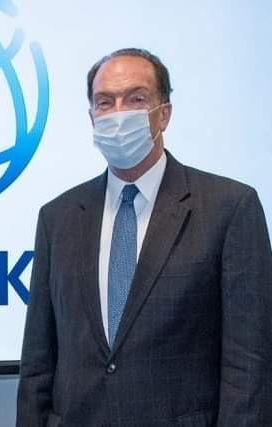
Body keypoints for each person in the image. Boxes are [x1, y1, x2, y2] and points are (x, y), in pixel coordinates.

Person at [17, 48, 272, 426]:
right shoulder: (58, 218)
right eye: (105, 102)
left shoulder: (229, 208)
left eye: (135, 99)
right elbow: (38, 362)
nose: (118, 113)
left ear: (163, 113)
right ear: (92, 116)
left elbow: (249, 362)